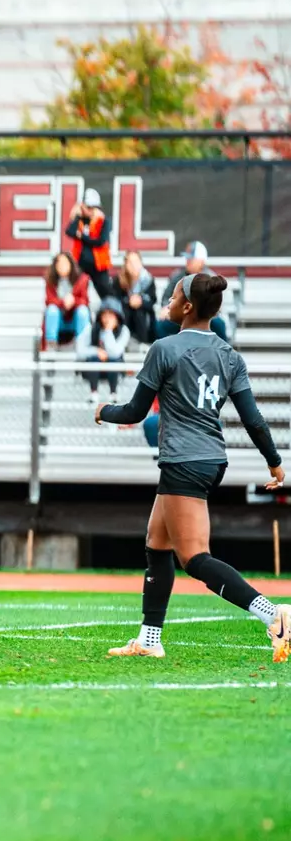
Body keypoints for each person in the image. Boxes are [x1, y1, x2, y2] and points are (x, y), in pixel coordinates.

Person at [97, 271, 290, 660]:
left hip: (183, 460)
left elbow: (134, 411)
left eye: (172, 297)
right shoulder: (229, 355)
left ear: (187, 306)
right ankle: (149, 639)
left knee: (195, 559)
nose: (167, 302)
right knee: (157, 543)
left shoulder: (164, 348)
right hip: (209, 459)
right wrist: (274, 462)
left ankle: (274, 615)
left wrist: (103, 410)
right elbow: (253, 419)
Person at [158, 242, 229, 341]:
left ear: (201, 261)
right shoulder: (177, 277)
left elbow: (217, 305)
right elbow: (166, 298)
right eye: (187, 258)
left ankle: (222, 350)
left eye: (191, 259)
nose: (187, 261)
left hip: (206, 317)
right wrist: (167, 307)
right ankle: (166, 349)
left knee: (219, 325)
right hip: (182, 316)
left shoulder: (211, 278)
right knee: (161, 325)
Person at [64, 187, 114, 300]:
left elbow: (101, 241)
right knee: (78, 292)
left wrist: (81, 236)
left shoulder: (104, 221)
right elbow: (69, 232)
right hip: (80, 264)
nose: (91, 210)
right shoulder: (80, 220)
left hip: (98, 266)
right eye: (88, 207)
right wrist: (77, 216)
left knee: (106, 292)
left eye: (94, 207)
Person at [80, 297, 130, 403]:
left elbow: (116, 353)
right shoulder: (92, 328)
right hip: (95, 369)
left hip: (114, 371)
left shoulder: (124, 331)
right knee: (93, 359)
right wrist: (96, 351)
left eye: (111, 314)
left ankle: (113, 393)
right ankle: (93, 393)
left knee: (114, 361)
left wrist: (108, 331)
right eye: (104, 314)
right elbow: (80, 350)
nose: (107, 318)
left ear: (117, 316)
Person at [43, 252, 92, 350]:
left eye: (65, 263)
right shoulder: (51, 280)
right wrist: (63, 302)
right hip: (59, 320)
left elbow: (85, 301)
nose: (62, 266)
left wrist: (73, 301)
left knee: (83, 311)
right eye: (59, 263)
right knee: (51, 310)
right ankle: (51, 344)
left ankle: (83, 346)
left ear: (71, 264)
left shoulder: (82, 279)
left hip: (74, 319)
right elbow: (49, 301)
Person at [108, 249, 158, 345]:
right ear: (125, 265)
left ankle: (142, 343)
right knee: (124, 312)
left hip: (142, 315)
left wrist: (141, 302)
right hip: (125, 313)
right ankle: (123, 341)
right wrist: (128, 301)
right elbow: (115, 301)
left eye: (136, 262)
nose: (133, 265)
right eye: (130, 262)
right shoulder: (118, 280)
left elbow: (152, 301)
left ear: (141, 263)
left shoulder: (148, 280)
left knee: (140, 312)